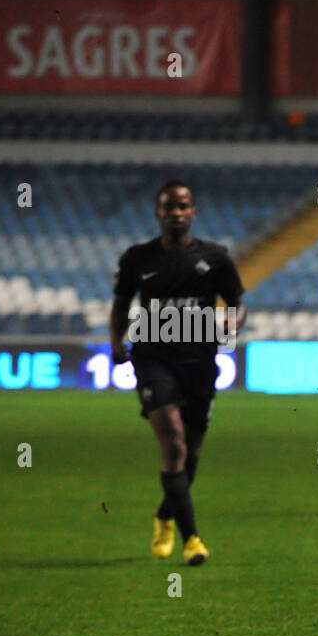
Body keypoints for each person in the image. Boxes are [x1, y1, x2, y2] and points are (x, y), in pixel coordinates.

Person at [110, 180, 245, 566]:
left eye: (183, 206)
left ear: (193, 212)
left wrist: (234, 322)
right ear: (159, 213)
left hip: (200, 360)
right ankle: (193, 541)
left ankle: (165, 515)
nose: (177, 213)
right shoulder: (137, 258)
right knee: (172, 442)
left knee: (191, 456)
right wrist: (116, 340)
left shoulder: (215, 258)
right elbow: (120, 305)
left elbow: (238, 301)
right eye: (169, 207)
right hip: (153, 358)